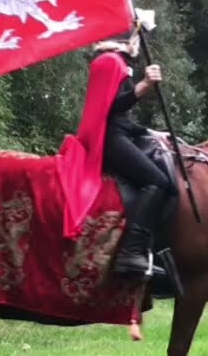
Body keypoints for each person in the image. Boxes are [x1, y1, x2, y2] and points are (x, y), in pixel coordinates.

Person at [55, 20, 175, 279]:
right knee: (158, 182)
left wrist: (149, 133)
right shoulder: (109, 61)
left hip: (117, 134)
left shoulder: (116, 63)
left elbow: (121, 119)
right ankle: (131, 253)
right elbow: (109, 109)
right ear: (129, 39)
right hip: (109, 140)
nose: (138, 45)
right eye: (137, 39)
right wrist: (143, 87)